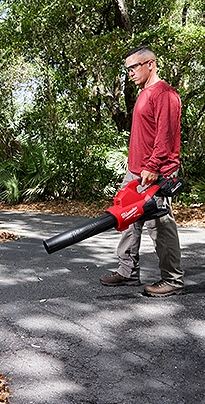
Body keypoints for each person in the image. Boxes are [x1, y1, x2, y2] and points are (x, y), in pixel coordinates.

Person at [100, 45, 184, 297]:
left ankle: (173, 279)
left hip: (155, 173)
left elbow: (165, 136)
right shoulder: (144, 93)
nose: (130, 73)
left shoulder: (165, 94)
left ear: (150, 64)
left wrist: (152, 166)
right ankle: (128, 272)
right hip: (136, 171)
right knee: (126, 219)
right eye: (127, 69)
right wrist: (135, 165)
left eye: (134, 67)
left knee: (159, 225)